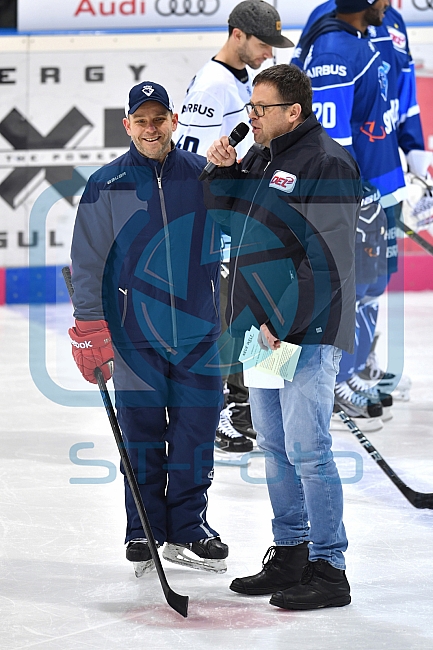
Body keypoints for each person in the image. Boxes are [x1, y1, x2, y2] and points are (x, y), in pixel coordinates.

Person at [204, 64, 361, 610]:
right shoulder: (263, 155)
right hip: (263, 327)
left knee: (309, 450)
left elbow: (333, 260)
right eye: (250, 108)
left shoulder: (327, 162)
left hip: (304, 330)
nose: (251, 117)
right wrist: (222, 173)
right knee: (273, 446)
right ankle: (291, 553)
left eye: (259, 109)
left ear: (292, 111)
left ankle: (329, 567)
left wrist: (283, 319)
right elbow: (227, 224)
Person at [68, 81, 229, 577]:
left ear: (175, 121)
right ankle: (142, 528)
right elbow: (87, 261)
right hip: (134, 335)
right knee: (141, 437)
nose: (151, 128)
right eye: (142, 120)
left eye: (159, 118)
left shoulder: (204, 175)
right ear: (127, 126)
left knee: (195, 435)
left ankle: (188, 527)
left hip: (199, 331)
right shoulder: (105, 183)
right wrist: (89, 326)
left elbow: (238, 234)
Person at [291, 0, 426, 429]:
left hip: (381, 180)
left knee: (371, 282)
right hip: (357, 188)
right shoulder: (331, 39)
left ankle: (353, 367)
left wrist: (414, 150)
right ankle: (325, 382)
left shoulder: (384, 24)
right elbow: (329, 131)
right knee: (344, 283)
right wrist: (348, 193)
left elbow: (399, 92)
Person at [176, 0, 294, 459]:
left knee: (250, 308)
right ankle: (225, 408)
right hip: (219, 216)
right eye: (263, 44)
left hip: (246, 214)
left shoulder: (243, 79)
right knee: (227, 315)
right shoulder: (212, 87)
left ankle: (252, 402)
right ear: (238, 34)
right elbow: (199, 162)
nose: (269, 54)